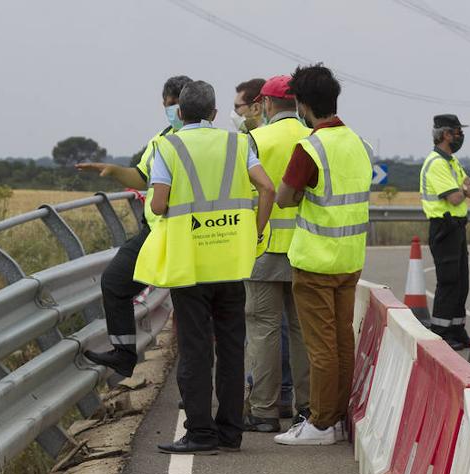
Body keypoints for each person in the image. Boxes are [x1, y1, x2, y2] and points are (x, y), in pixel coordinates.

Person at [134, 80, 275, 454]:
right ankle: (230, 433)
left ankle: (200, 434)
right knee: (232, 348)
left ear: (180, 113)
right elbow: (268, 188)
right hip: (231, 261)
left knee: (196, 350)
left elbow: (160, 203)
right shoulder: (238, 142)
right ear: (214, 114)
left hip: (189, 263)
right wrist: (255, 233)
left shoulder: (169, 145)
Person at [273, 64, 372, 447]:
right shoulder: (359, 143)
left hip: (315, 261)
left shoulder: (310, 147)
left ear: (301, 104)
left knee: (320, 348)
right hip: (349, 258)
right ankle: (340, 417)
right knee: (343, 342)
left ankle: (320, 423)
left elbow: (284, 197)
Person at [75, 74, 193, 377]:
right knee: (115, 282)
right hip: (156, 231)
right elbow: (142, 177)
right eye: (171, 104)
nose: (175, 109)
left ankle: (195, 391)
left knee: (194, 316)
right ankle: (124, 353)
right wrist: (114, 171)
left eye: (180, 103)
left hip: (187, 233)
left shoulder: (198, 140)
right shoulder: (160, 139)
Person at [241, 75, 313, 433]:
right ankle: (308, 409)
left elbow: (244, 192)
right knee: (302, 331)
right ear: (298, 104)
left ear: (266, 104)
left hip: (264, 247)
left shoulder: (254, 138)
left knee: (264, 330)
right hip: (306, 249)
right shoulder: (313, 138)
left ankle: (264, 412)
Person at [420, 114, 470, 350]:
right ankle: (442, 332)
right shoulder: (436, 163)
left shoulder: (451, 161)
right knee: (448, 281)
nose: (460, 136)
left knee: (461, 281)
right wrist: (465, 189)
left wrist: (465, 189)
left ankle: (457, 329)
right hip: (444, 227)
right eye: (457, 131)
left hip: (456, 227)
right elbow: (456, 197)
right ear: (445, 134)